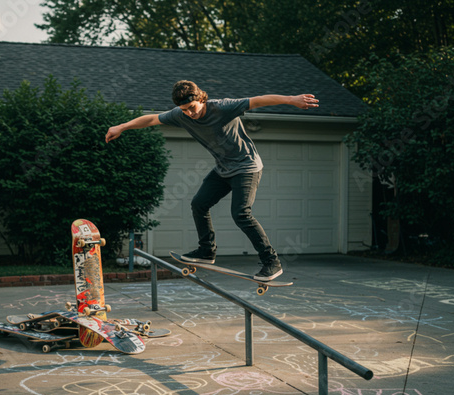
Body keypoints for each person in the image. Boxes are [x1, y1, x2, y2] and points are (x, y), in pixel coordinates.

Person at [105, 80, 319, 281]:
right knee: (199, 204)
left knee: (241, 213)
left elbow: (259, 99)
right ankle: (206, 251)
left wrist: (291, 99)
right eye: (185, 110)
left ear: (202, 99)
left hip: (247, 167)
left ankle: (272, 262)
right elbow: (151, 119)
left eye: (193, 107)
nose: (190, 113)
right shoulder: (180, 114)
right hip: (224, 169)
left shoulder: (223, 108)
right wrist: (121, 127)